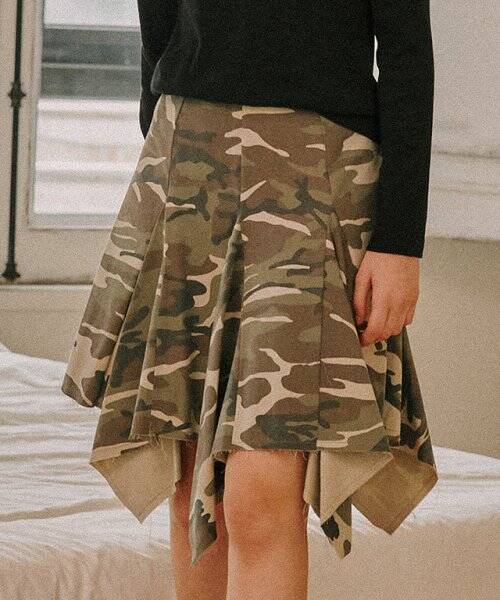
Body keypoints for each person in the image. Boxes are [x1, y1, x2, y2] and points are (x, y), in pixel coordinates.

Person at [61, 2, 439, 599]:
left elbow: (407, 52)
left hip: (317, 167)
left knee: (260, 490)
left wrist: (400, 240)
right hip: (186, 151)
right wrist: (163, 141)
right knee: (190, 483)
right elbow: (158, 18)